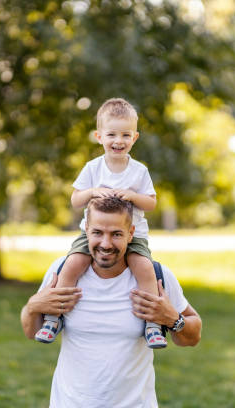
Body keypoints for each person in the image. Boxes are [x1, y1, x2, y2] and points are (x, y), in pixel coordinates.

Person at [21, 196, 202, 407]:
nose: (106, 244)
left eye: (116, 234)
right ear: (86, 229)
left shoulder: (155, 277)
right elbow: (30, 331)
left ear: (131, 233)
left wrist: (173, 319)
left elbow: (193, 336)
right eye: (97, 232)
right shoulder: (62, 272)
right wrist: (33, 306)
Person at [34, 98, 167, 348]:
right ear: (99, 136)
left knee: (145, 269)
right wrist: (93, 191)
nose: (119, 141)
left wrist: (133, 196)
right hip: (93, 233)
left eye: (126, 135)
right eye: (112, 134)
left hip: (131, 234)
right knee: (72, 265)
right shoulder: (93, 168)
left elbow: (151, 203)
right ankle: (54, 317)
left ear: (135, 138)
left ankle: (153, 325)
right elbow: (75, 200)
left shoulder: (139, 171)